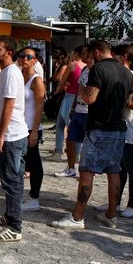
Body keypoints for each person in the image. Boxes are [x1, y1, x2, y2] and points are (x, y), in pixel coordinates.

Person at [50, 39, 133, 230]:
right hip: (119, 127)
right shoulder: (126, 71)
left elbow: (89, 98)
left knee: (87, 172)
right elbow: (129, 100)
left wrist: (80, 88)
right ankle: (111, 214)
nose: (89, 58)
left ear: (97, 52)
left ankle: (77, 216)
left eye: (90, 54)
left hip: (99, 128)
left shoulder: (98, 70)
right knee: (113, 171)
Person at [0, 36, 29, 242]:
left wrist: (0, 136)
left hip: (11, 136)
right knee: (12, 179)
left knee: (11, 180)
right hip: (12, 135)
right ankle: (10, 216)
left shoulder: (11, 73)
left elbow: (9, 107)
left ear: (9, 52)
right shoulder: (5, 72)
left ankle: (15, 226)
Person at [102, 43, 133, 218]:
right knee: (118, 167)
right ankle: (116, 202)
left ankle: (131, 204)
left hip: (127, 127)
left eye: (115, 57)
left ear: (124, 58)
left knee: (131, 166)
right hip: (114, 126)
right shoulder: (115, 74)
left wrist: (122, 101)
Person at [55, 45, 92, 179]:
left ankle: (86, 170)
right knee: (71, 138)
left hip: (85, 108)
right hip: (77, 107)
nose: (84, 56)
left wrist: (57, 91)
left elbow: (63, 81)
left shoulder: (94, 70)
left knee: (86, 142)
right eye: (82, 53)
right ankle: (72, 167)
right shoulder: (84, 69)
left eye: (86, 53)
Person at [17, 47, 46, 211]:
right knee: (25, 163)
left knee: (34, 163)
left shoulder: (36, 80)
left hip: (31, 127)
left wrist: (35, 131)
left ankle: (35, 197)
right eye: (22, 56)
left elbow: (39, 107)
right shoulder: (20, 77)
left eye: (29, 57)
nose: (25, 59)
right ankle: (27, 196)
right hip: (21, 126)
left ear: (35, 60)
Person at [49, 46, 86, 162]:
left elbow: (62, 81)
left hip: (69, 96)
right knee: (77, 127)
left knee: (60, 124)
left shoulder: (72, 65)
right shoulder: (86, 67)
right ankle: (77, 154)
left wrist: (56, 92)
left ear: (76, 53)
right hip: (80, 99)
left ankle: (58, 151)